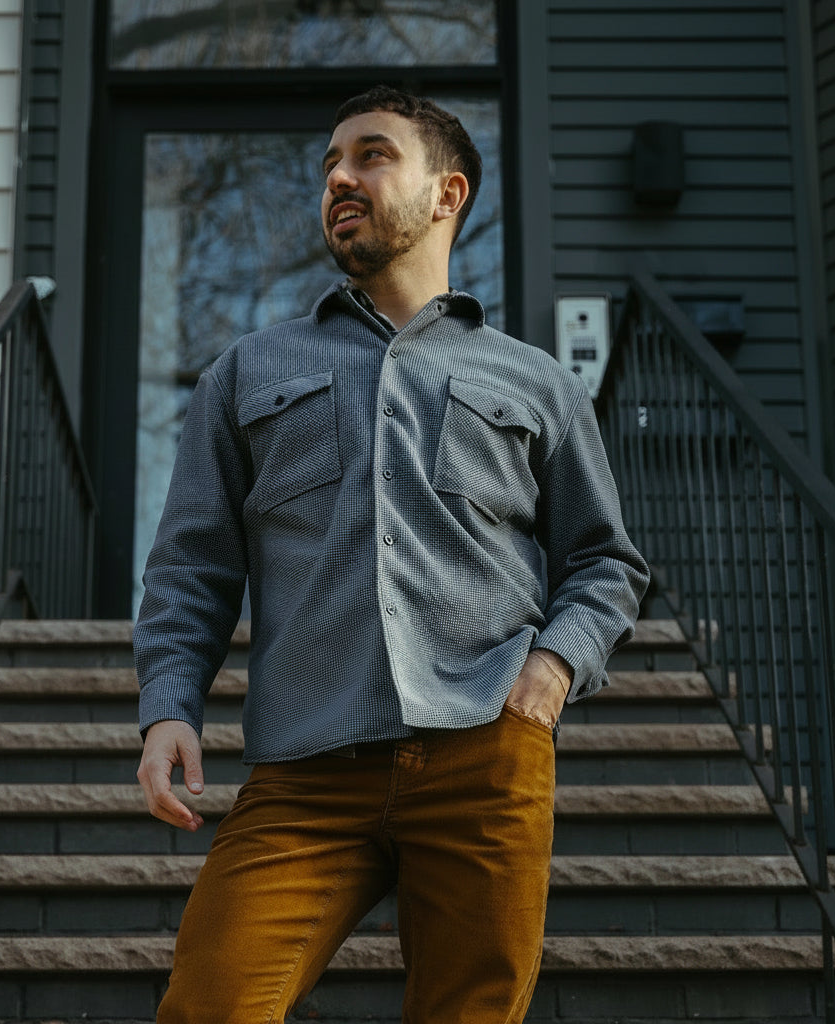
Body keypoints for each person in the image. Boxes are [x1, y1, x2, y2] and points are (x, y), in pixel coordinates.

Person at [134, 85, 649, 1024]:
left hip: (485, 754)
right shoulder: (249, 371)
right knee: (210, 1006)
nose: (339, 176)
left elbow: (605, 563)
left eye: (371, 155)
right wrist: (168, 705)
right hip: (304, 770)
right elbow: (191, 565)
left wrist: (551, 671)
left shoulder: (536, 382)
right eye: (330, 163)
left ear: (448, 193)